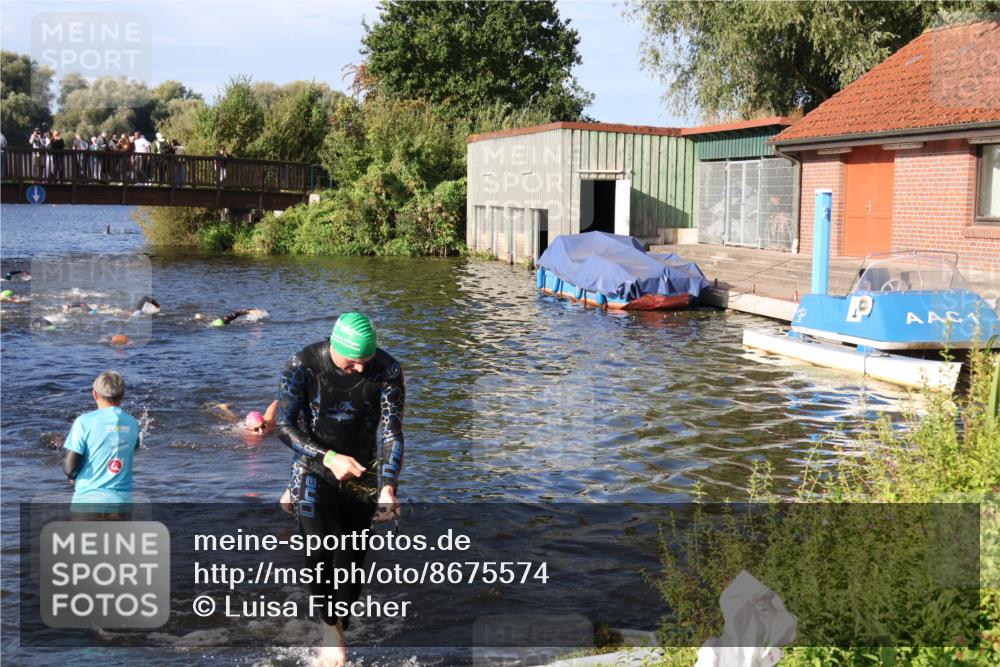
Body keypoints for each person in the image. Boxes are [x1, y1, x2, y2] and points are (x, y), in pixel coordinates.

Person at [276, 312, 405, 667]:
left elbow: (392, 432)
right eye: (354, 362)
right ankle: (331, 629)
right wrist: (328, 456)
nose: (362, 370)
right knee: (318, 554)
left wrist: (388, 487)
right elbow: (284, 427)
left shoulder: (388, 370)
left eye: (367, 362)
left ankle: (338, 623)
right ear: (335, 347)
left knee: (349, 567)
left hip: (361, 475)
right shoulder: (303, 365)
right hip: (313, 469)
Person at [62, 372, 141, 517]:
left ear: (94, 394)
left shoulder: (84, 422)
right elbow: (131, 449)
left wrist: (73, 475)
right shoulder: (133, 423)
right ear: (122, 395)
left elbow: (69, 467)